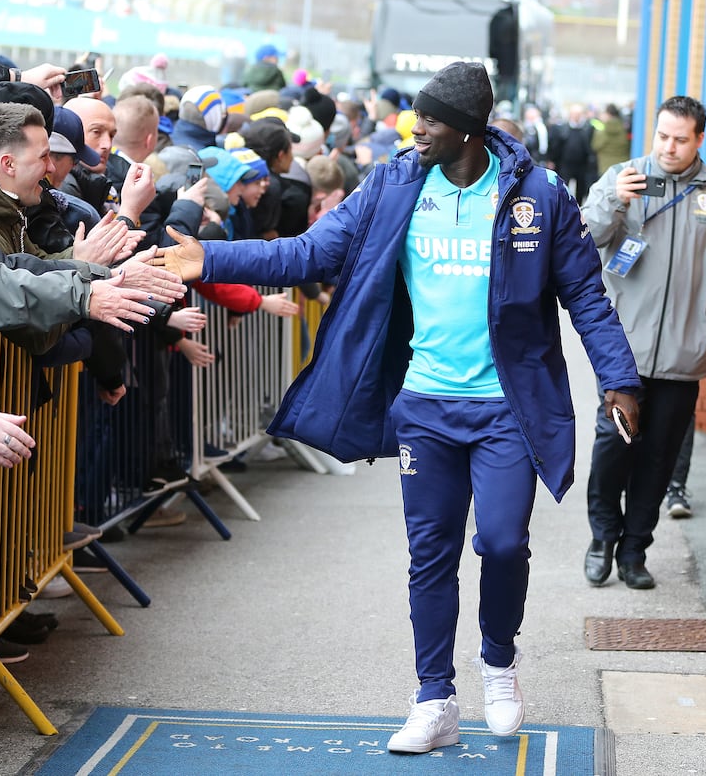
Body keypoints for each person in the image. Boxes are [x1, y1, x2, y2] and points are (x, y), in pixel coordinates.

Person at [151, 61, 641, 752]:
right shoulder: (394, 184)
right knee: (430, 556)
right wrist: (212, 259)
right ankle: (434, 698)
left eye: (432, 121)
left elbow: (586, 296)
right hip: (425, 405)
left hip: (507, 409)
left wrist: (619, 377)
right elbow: (311, 251)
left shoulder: (538, 197)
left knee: (502, 544)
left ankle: (498, 661)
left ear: (469, 130)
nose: (417, 131)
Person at [582, 95, 706, 589]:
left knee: (657, 460)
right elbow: (585, 236)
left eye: (680, 139)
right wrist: (616, 197)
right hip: (623, 354)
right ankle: (602, 538)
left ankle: (635, 551)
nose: (669, 147)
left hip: (683, 354)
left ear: (700, 139)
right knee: (613, 450)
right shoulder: (624, 177)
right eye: (662, 136)